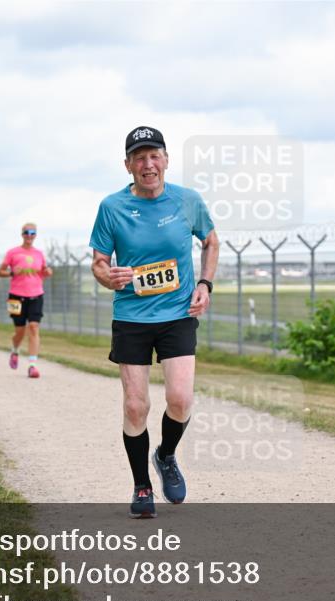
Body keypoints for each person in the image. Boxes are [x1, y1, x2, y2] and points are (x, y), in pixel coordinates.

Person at [89, 126, 219, 519]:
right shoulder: (111, 207)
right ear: (127, 165)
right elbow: (98, 261)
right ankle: (141, 485)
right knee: (135, 406)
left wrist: (205, 284)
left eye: (155, 155)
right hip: (131, 316)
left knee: (180, 400)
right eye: (139, 158)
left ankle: (165, 455)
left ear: (166, 159)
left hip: (178, 313)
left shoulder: (187, 200)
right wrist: (106, 275)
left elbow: (211, 241)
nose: (148, 164)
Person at [0, 222, 53, 378]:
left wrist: (48, 272)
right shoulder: (12, 253)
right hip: (16, 296)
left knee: (34, 327)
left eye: (32, 233)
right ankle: (15, 350)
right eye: (26, 232)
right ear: (22, 234)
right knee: (20, 331)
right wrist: (10, 272)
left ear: (35, 235)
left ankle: (32, 365)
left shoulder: (39, 254)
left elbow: (45, 271)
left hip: (36, 295)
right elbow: (0, 272)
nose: (29, 235)